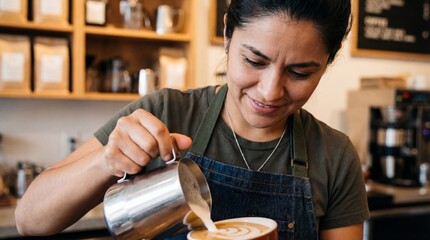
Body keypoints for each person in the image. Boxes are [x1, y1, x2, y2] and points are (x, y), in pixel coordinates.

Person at [15, 0, 369, 239]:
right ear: (228, 35)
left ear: (327, 62)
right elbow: (30, 221)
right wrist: (104, 162)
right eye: (254, 61)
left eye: (299, 72)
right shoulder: (166, 113)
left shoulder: (334, 156)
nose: (270, 91)